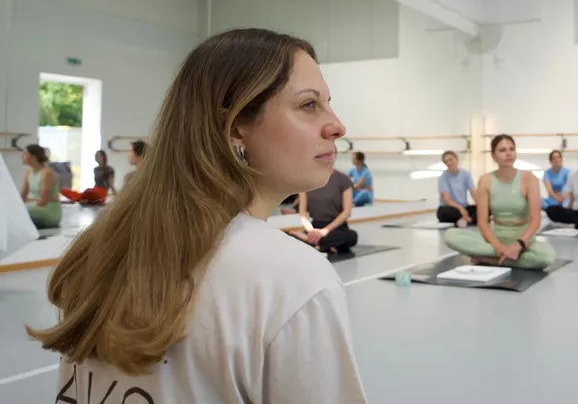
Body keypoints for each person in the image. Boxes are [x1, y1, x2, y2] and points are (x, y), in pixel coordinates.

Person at [26, 29, 366, 403]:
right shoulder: (293, 279)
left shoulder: (103, 250)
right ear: (235, 127)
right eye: (308, 105)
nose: (337, 125)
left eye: (328, 103)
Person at [443, 134, 556, 269]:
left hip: (523, 241)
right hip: (495, 239)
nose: (508, 153)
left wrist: (518, 245)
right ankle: (504, 256)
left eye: (511, 149)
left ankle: (490, 259)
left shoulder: (529, 178)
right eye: (502, 150)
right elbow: (482, 222)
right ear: (493, 156)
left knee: (546, 256)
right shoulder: (485, 180)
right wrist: (498, 247)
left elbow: (535, 221)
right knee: (450, 235)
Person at [288, 168, 358, 253]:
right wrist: (310, 230)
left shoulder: (343, 179)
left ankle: (311, 242)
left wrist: (324, 231)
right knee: (289, 237)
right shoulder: (305, 181)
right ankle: (326, 245)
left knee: (352, 236)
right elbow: (302, 212)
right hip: (315, 227)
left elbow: (347, 212)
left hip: (337, 228)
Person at [19, 144, 62, 228]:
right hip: (35, 206)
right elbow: (22, 198)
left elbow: (43, 201)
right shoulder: (28, 173)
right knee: (14, 209)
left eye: (25, 154)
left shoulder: (47, 173)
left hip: (49, 211)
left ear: (34, 157)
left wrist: (29, 200)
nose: (22, 156)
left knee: (19, 210)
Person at [436, 150, 477, 226]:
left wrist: (482, 205)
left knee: (486, 209)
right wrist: (460, 208)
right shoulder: (443, 177)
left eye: (450, 159)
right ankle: (470, 219)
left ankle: (466, 220)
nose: (449, 163)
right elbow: (446, 199)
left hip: (465, 208)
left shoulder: (466, 174)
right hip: (451, 208)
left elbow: (473, 192)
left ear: (456, 159)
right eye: (446, 161)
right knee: (442, 213)